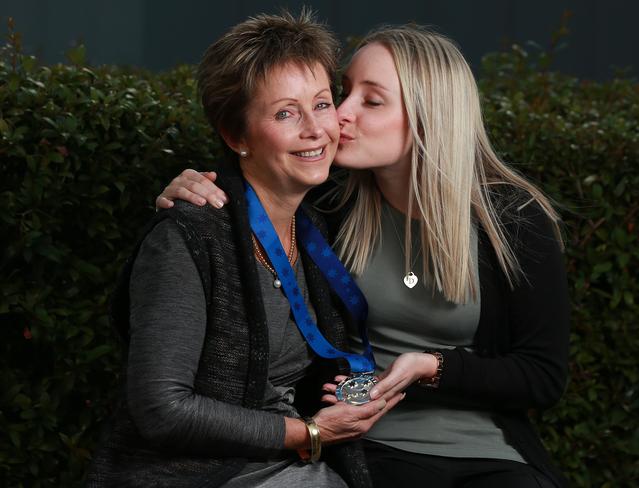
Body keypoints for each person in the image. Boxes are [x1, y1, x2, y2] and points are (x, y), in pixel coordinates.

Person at [156, 25, 570, 488]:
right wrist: (192, 186)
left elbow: (543, 376)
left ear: (430, 116)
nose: (339, 116)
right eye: (343, 93)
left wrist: (432, 368)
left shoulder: (510, 220)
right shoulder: (326, 205)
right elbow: (255, 167)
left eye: (371, 101)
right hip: (367, 448)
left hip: (493, 452)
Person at [86, 11, 404, 488]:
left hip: (295, 465)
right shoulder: (187, 236)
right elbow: (161, 409)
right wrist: (310, 432)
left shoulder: (320, 219)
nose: (315, 129)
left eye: (320, 104)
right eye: (284, 113)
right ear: (236, 136)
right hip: (200, 473)